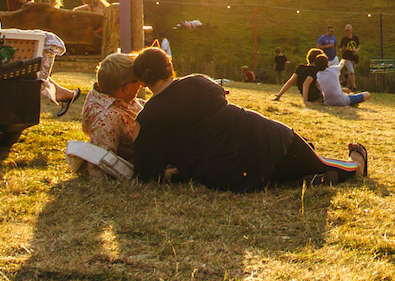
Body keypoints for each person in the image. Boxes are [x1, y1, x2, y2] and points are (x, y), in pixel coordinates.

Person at [131, 47, 367, 189]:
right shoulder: (199, 83)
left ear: (141, 82)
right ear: (169, 66)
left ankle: (301, 178)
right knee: (321, 162)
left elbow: (146, 175)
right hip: (267, 142)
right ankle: (356, 164)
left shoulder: (147, 119)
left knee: (288, 167)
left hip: (228, 176)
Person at [77, 52, 144, 177]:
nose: (141, 83)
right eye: (138, 80)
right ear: (126, 88)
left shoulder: (109, 93)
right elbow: (100, 160)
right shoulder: (108, 118)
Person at [338, 24, 360, 89]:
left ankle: (348, 86)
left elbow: (358, 46)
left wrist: (356, 51)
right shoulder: (344, 39)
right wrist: (344, 49)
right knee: (351, 71)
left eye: (348, 30)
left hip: (354, 57)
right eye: (345, 31)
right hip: (346, 58)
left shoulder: (355, 38)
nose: (347, 32)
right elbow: (341, 50)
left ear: (351, 30)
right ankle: (354, 86)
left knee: (350, 73)